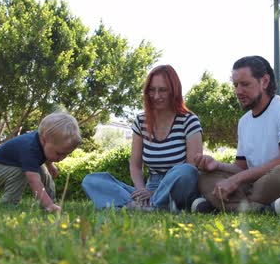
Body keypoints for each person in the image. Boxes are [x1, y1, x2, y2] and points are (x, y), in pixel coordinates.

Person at [191, 56, 280, 216]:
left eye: (245, 84)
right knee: (206, 179)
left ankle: (227, 207)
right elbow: (241, 169)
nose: (238, 91)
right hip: (262, 189)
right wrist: (217, 166)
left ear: (264, 81)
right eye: (235, 85)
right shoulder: (244, 122)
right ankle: (266, 210)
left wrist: (236, 180)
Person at [82, 65, 203, 212]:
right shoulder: (141, 120)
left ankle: (146, 205)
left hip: (178, 186)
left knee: (186, 171)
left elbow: (192, 168)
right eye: (152, 90)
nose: (156, 96)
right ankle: (147, 205)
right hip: (149, 187)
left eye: (162, 90)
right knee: (92, 180)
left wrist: (152, 194)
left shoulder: (189, 121)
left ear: (174, 91)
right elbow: (135, 165)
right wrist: (141, 192)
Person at [0, 112, 81, 213]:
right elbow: (34, 181)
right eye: (59, 153)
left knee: (44, 172)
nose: (61, 158)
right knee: (22, 172)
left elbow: (43, 154)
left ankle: (51, 204)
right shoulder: (30, 148)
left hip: (6, 166)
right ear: (44, 140)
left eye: (66, 154)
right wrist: (48, 205)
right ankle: (8, 205)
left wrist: (50, 164)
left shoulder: (42, 142)